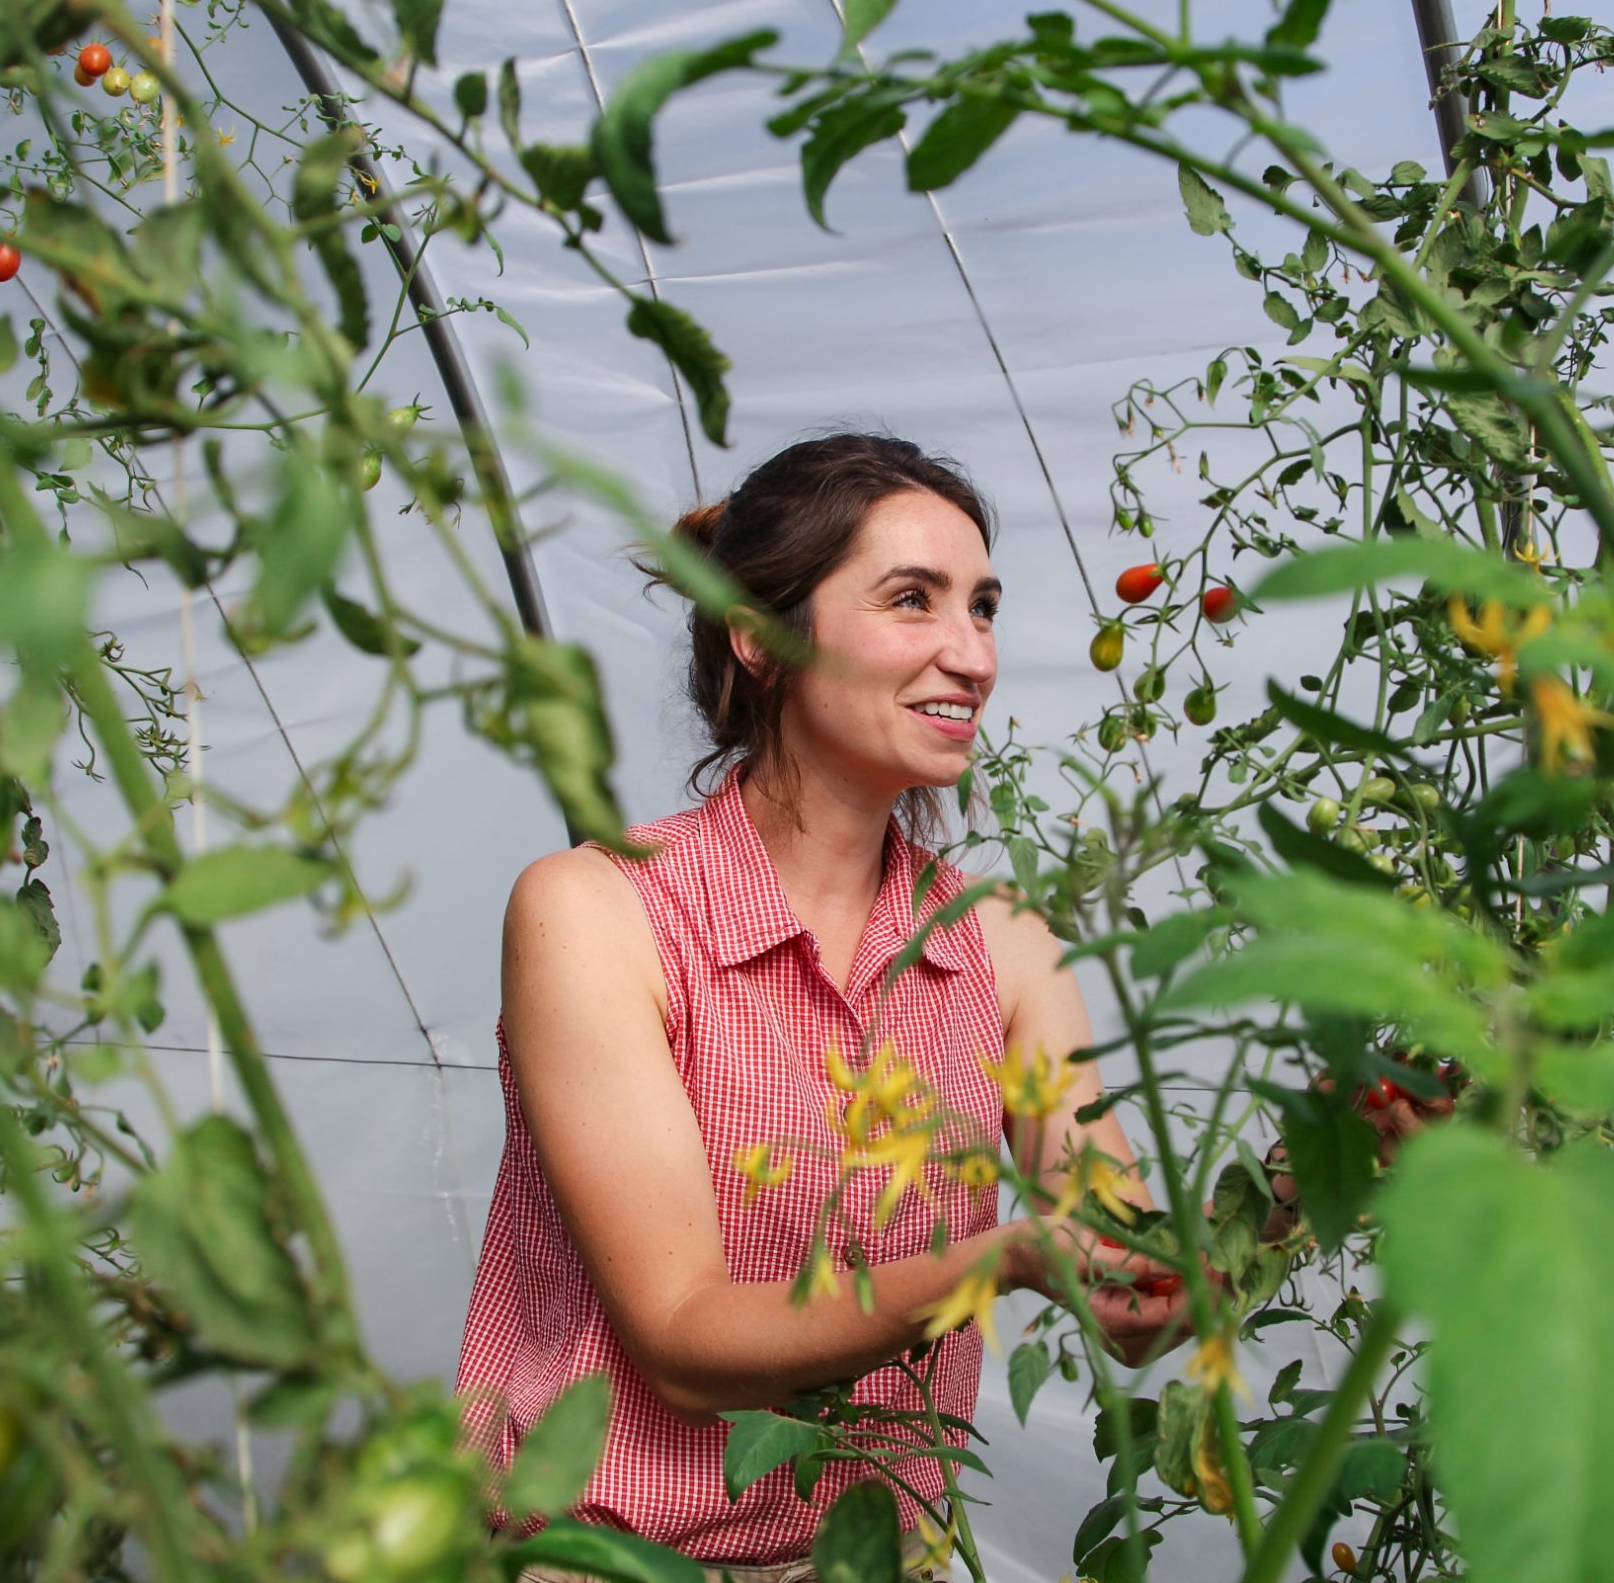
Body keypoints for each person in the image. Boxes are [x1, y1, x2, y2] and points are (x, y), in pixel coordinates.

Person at [454, 434, 1191, 1583]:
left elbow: (1133, 1290)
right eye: (914, 600)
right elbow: (687, 1343)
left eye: (983, 607)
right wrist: (998, 1257)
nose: (972, 655)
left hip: (875, 1556)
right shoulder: (600, 914)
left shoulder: (1004, 944)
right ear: (761, 640)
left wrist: (1302, 1181)